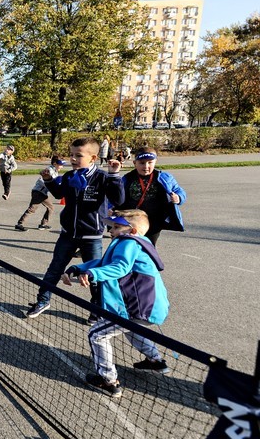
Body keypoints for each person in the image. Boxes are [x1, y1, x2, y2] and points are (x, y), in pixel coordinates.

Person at [61, 209, 170, 398]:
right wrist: (78, 268)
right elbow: (104, 261)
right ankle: (155, 361)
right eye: (112, 227)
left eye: (117, 227)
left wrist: (93, 274)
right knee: (131, 329)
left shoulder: (128, 242)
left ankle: (109, 381)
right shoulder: (135, 242)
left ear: (133, 231)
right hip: (147, 306)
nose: (111, 231)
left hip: (136, 307)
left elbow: (120, 267)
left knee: (97, 334)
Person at [24, 137, 125, 321]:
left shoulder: (102, 177)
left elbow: (118, 199)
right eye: (71, 155)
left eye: (78, 155)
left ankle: (97, 309)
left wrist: (114, 174)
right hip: (68, 234)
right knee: (55, 269)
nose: (73, 159)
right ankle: (43, 300)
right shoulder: (70, 176)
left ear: (93, 158)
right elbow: (59, 193)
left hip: (91, 236)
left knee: (94, 274)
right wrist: (49, 181)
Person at [113, 146, 186, 246]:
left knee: (149, 246)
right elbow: (116, 195)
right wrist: (110, 207)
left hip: (154, 220)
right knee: (129, 245)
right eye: (142, 163)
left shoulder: (164, 177)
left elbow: (179, 190)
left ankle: (147, 261)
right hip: (132, 220)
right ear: (135, 163)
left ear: (155, 162)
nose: (146, 166)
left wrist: (178, 198)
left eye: (150, 162)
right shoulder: (127, 178)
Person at [15, 155, 66, 231]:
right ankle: (20, 224)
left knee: (50, 208)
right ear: (55, 163)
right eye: (60, 165)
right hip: (38, 192)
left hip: (43, 193)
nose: (62, 166)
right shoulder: (49, 170)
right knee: (32, 208)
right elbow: (43, 180)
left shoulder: (55, 171)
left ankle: (43, 224)